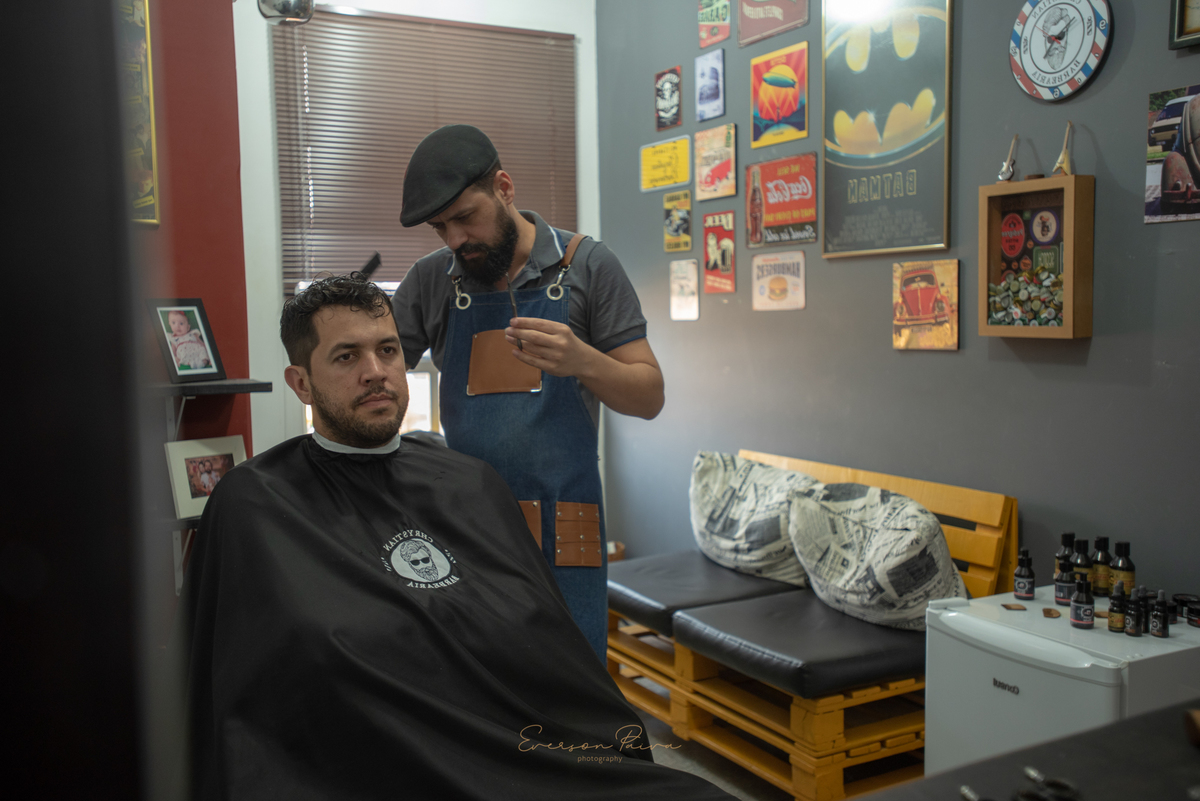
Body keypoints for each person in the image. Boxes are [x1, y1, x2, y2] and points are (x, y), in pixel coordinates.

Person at [180, 274, 732, 801]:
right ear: (301, 383)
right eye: (347, 357)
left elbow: (549, 651)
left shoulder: (470, 483)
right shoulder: (255, 501)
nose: (376, 372)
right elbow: (232, 694)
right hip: (371, 773)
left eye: (388, 350)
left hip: (528, 759)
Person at [393, 124, 663, 659]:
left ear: (504, 188)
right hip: (473, 529)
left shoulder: (588, 266)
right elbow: (377, 375)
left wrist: (582, 360)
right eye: (440, 227)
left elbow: (649, 397)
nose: (455, 240)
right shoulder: (430, 281)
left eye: (465, 217)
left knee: (570, 681)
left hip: (567, 530)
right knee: (483, 677)